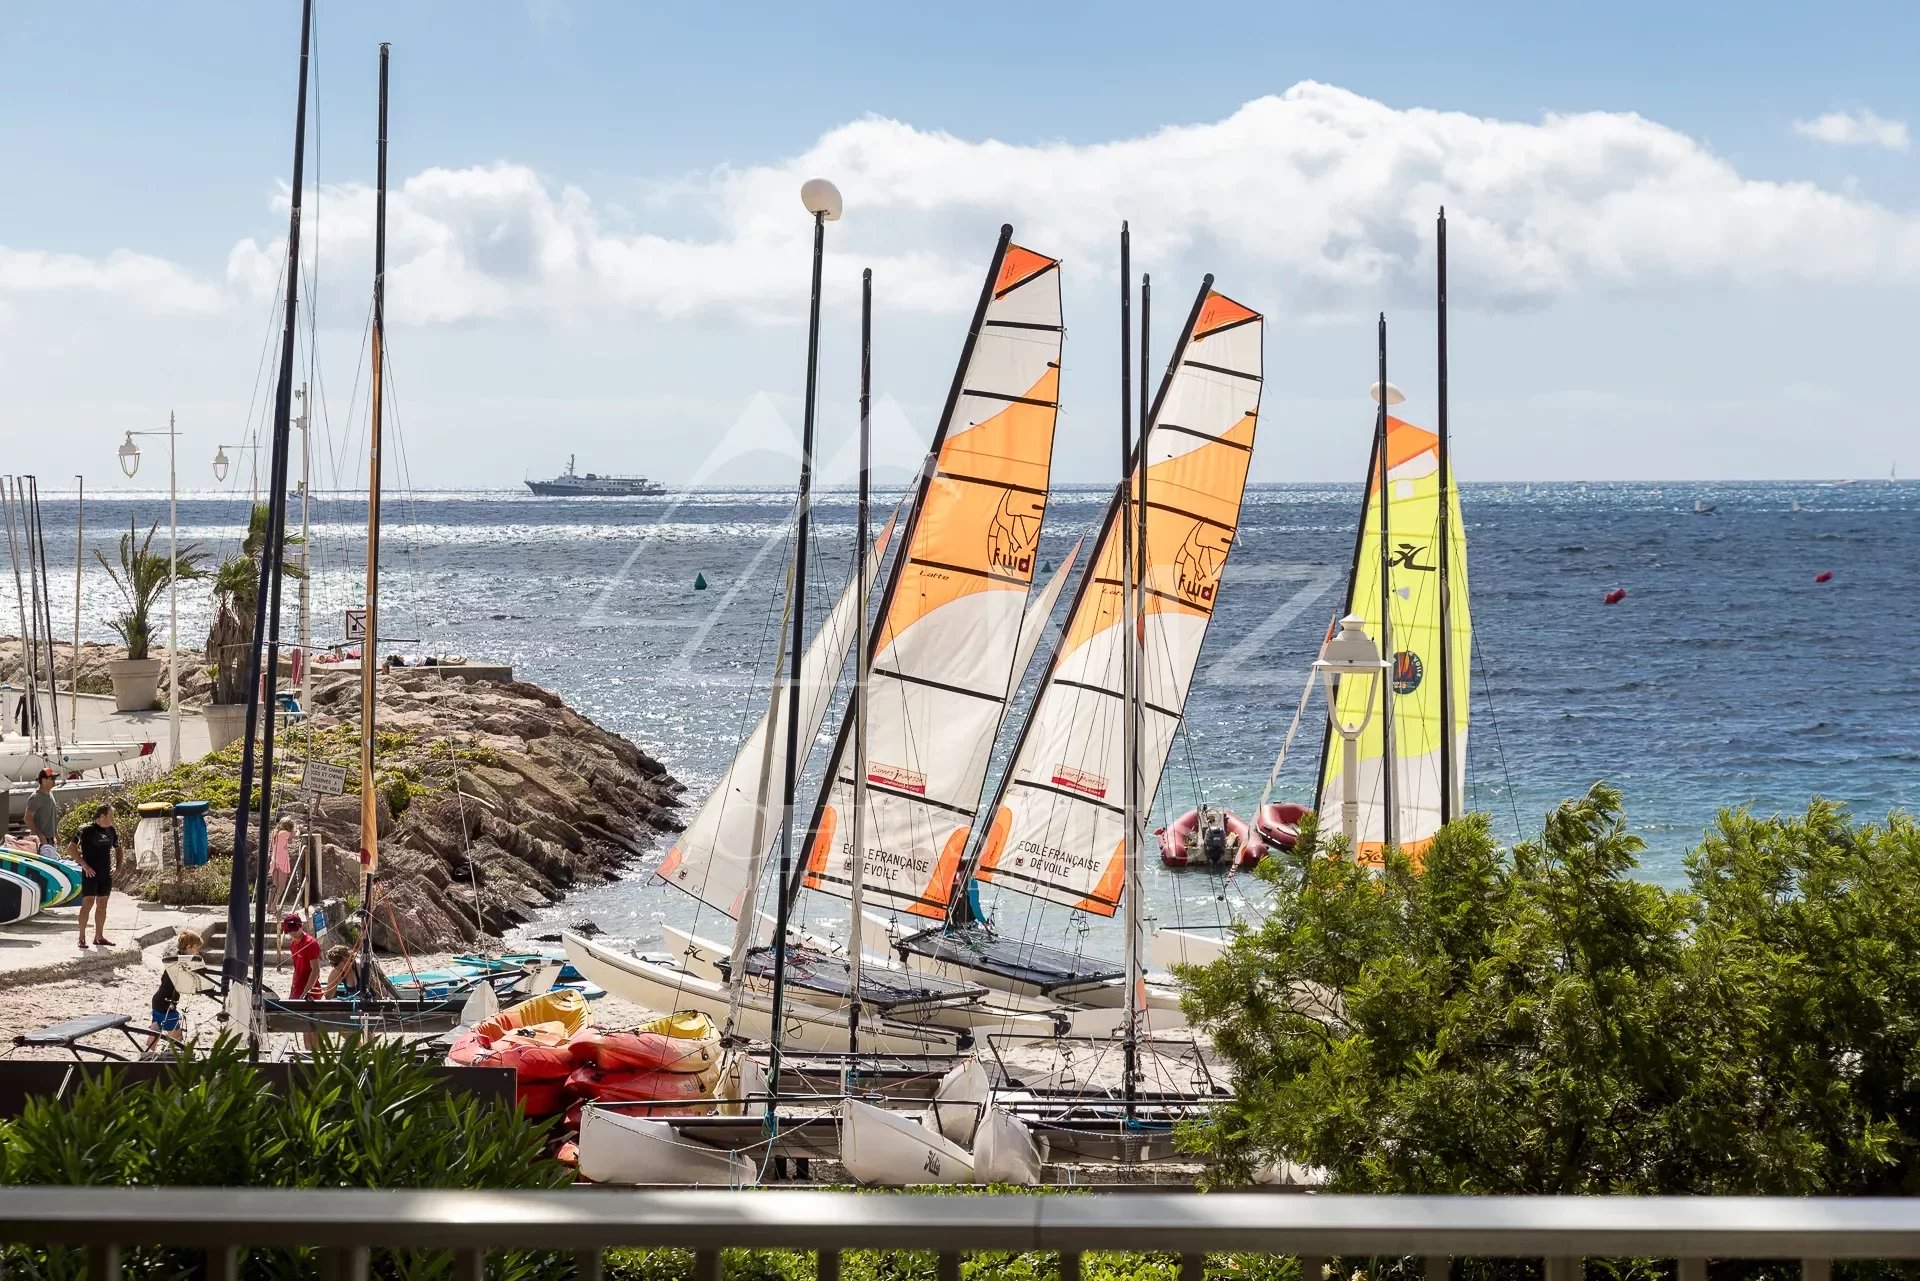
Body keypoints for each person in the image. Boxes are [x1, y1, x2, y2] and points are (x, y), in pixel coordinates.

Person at [66, 803, 119, 948]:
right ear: (102, 816)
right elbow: (71, 848)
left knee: (102, 904)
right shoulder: (85, 829)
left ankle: (99, 936)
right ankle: (81, 937)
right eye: (110, 816)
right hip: (90, 873)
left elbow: (119, 849)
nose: (112, 819)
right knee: (88, 903)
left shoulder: (111, 830)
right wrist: (84, 865)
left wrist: (118, 867)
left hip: (105, 873)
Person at [146, 928, 206, 1050]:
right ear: (189, 946)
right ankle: (172, 1054)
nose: (198, 952)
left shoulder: (175, 960)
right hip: (167, 1003)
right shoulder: (182, 962)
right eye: (196, 948)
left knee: (156, 1030)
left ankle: (146, 1053)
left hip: (158, 999)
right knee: (177, 1038)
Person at [282, 912, 321, 1000]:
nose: (292, 933)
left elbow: (315, 970)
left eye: (295, 929)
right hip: (298, 989)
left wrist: (306, 992)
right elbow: (296, 969)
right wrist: (292, 990)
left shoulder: (310, 943)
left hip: (311, 992)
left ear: (300, 926)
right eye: (290, 931)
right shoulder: (293, 944)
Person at [24, 768, 60, 855]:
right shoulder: (36, 798)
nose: (54, 781)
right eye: (52, 779)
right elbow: (27, 819)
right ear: (44, 781)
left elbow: (51, 817)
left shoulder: (49, 793)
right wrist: (39, 835)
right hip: (42, 842)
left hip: (50, 839)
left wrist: (56, 834)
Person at [270, 816, 296, 906]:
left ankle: (269, 906)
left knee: (274, 885)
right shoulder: (286, 833)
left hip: (274, 860)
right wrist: (299, 830)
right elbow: (292, 838)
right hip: (282, 861)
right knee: (281, 886)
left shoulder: (274, 832)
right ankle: (274, 905)